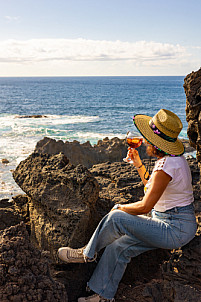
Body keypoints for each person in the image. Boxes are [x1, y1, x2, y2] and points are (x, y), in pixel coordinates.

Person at [58, 109, 197, 302]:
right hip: (172, 223)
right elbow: (151, 187)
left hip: (174, 228)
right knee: (120, 247)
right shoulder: (171, 161)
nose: (145, 141)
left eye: (148, 138)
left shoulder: (167, 166)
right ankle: (103, 295)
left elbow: (144, 207)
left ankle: (87, 253)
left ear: (156, 143)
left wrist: (120, 207)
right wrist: (138, 164)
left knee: (116, 217)